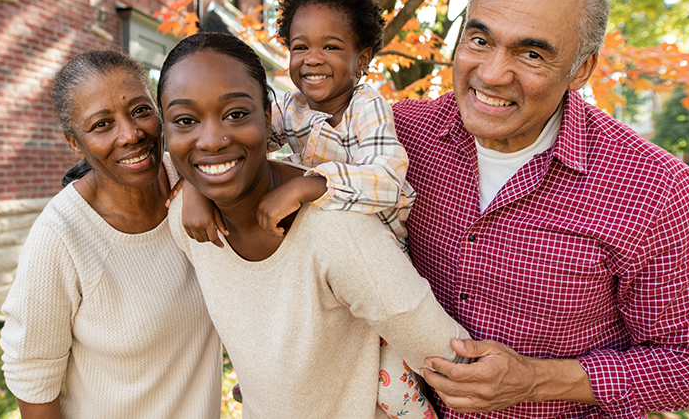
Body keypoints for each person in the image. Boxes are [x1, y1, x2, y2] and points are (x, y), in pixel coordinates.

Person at [390, 0, 689, 418]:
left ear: (580, 69)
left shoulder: (652, 188)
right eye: (479, 41)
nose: (492, 74)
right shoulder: (398, 137)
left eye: (531, 53)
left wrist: (536, 380)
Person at [160, 31, 471, 418]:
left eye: (236, 114)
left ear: (269, 114)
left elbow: (456, 365)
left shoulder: (338, 233)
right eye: (185, 120)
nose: (210, 140)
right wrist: (191, 184)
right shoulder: (187, 223)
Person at [0, 50, 222, 418]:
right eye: (102, 124)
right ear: (74, 142)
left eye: (140, 110)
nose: (131, 134)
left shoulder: (198, 182)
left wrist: (196, 182)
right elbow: (33, 380)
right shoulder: (61, 235)